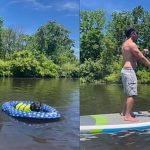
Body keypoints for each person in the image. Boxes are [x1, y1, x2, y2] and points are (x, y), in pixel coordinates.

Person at [121, 27, 150, 122]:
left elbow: (136, 58)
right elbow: (141, 58)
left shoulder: (125, 44)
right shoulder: (132, 44)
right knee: (132, 94)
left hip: (125, 70)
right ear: (133, 33)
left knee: (128, 94)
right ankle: (127, 116)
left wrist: (143, 53)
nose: (138, 36)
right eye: (137, 34)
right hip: (129, 71)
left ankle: (125, 112)